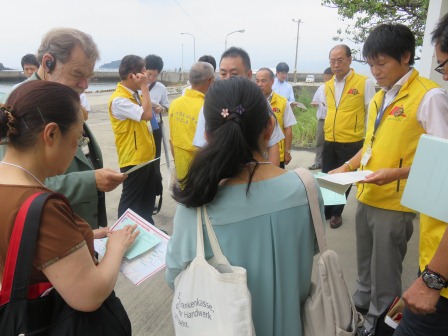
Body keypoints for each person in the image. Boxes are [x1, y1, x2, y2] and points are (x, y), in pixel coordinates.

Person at [166, 77, 322, 335]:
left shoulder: (197, 206)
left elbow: (174, 277)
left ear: (207, 136)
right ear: (270, 127)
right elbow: (310, 247)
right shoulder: (306, 187)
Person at [329, 24, 448, 336]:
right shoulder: (379, 97)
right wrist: (344, 167)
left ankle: (381, 327)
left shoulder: (429, 96)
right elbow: (369, 147)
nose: (375, 71)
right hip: (367, 194)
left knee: (385, 274)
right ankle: (363, 316)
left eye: (381, 63)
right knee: (366, 271)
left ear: (405, 57)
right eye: (370, 64)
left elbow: (442, 161)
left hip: (395, 202)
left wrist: (396, 174)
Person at [0, 80, 138, 314]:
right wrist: (116, 247)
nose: (77, 148)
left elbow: (21, 243)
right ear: (51, 134)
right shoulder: (43, 208)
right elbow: (89, 295)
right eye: (78, 140)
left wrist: (78, 238)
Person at [0, 27, 126, 229]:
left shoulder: (62, 95)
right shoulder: (20, 104)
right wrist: (89, 181)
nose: (84, 84)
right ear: (48, 62)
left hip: (82, 225)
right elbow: (16, 182)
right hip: (51, 228)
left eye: (89, 76)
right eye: (77, 73)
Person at [394, 14, 448, 336]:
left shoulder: (430, 97)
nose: (445, 76)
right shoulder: (383, 97)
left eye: (443, 64)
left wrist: (432, 280)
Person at [192, 47, 284, 166]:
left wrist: (271, 180)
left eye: (234, 74)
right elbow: (202, 147)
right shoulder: (210, 105)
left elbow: (273, 145)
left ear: (249, 74)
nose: (228, 79)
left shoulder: (260, 103)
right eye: (223, 73)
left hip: (258, 175)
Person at [323, 44, 376, 229]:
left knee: (344, 178)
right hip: (329, 139)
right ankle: (328, 209)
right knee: (329, 175)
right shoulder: (328, 85)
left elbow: (372, 111)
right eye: (332, 61)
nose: (336, 64)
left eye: (340, 60)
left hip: (352, 140)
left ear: (349, 60)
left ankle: (337, 212)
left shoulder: (364, 82)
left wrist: (370, 138)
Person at [108, 55, 157, 224]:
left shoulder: (132, 94)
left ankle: (146, 230)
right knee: (131, 203)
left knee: (146, 199)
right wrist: (145, 86)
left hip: (145, 156)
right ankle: (122, 232)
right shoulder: (119, 100)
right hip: (134, 159)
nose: (146, 76)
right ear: (131, 76)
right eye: (143, 73)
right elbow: (147, 114)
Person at [169, 61, 214, 180]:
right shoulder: (208, 107)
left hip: (181, 168)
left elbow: (171, 140)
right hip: (202, 172)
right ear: (211, 80)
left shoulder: (175, 104)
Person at [255, 67, 297, 168]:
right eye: (257, 81)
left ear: (272, 81)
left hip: (277, 154)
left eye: (263, 81)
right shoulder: (252, 102)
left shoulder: (283, 102)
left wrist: (287, 151)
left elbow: (288, 128)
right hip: (257, 156)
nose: (260, 84)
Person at [144, 54, 169, 212]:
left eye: (155, 74)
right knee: (141, 164)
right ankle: (141, 196)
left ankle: (152, 199)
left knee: (155, 164)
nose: (152, 77)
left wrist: (161, 108)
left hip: (155, 129)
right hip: (140, 129)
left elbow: (167, 107)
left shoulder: (161, 88)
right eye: (149, 74)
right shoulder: (136, 86)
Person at [308, 67, 333, 170]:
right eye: (325, 78)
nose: (326, 81)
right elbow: (315, 101)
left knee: (330, 143)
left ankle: (329, 163)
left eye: (329, 79)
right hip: (322, 119)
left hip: (332, 119)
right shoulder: (321, 88)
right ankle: (318, 162)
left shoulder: (336, 89)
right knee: (319, 142)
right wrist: (315, 103)